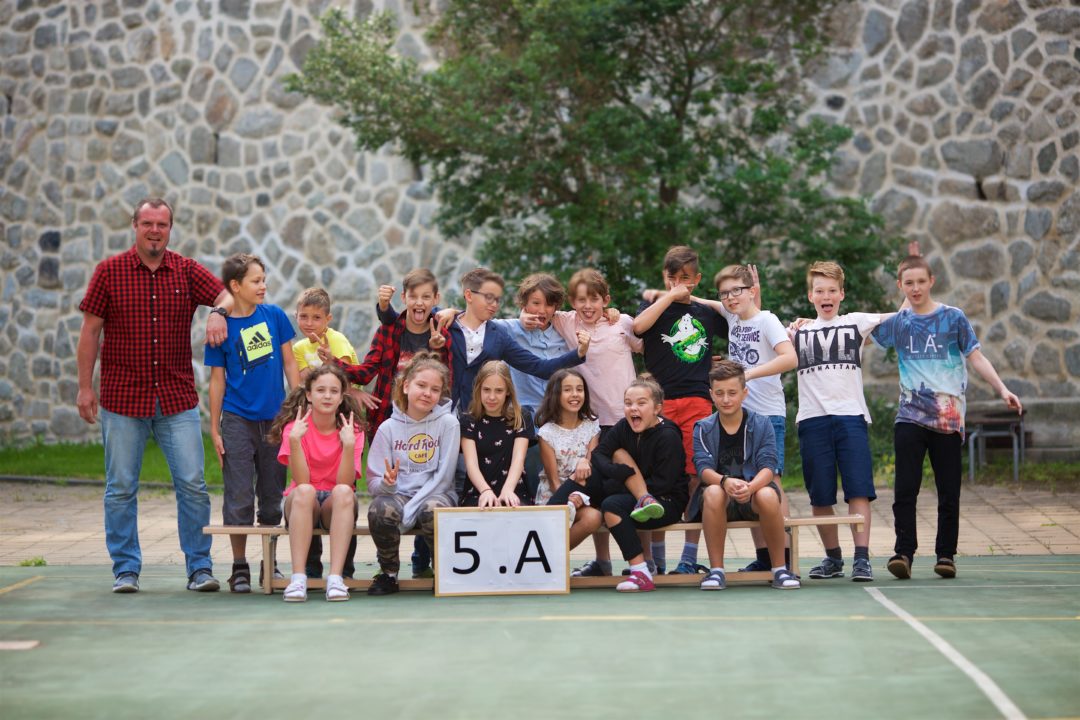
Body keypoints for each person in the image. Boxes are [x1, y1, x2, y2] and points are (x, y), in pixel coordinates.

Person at [76, 197, 228, 593]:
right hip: (122, 399)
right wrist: (85, 387)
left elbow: (226, 295)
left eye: (162, 224)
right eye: (148, 223)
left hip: (176, 398)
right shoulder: (109, 272)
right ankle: (126, 570)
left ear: (170, 229)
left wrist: (217, 313)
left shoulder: (186, 269)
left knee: (193, 485)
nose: (155, 231)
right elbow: (90, 331)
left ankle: (199, 568)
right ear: (135, 226)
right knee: (121, 488)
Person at [872, 253, 1022, 580]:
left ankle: (945, 555)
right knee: (905, 490)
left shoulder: (954, 318)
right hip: (910, 416)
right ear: (900, 286)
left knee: (948, 491)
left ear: (932, 282)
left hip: (948, 419)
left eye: (920, 282)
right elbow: (872, 333)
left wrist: (1002, 389)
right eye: (908, 283)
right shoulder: (899, 322)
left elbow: (976, 357)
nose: (915, 288)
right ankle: (903, 553)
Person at [338, 268, 451, 579]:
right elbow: (367, 370)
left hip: (430, 423)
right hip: (390, 420)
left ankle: (423, 559)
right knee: (389, 487)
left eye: (426, 297)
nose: (419, 302)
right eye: (413, 296)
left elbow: (448, 376)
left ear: (436, 299)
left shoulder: (442, 330)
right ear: (404, 298)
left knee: (428, 481)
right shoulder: (389, 330)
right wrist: (338, 371)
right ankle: (388, 565)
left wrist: (440, 345)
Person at [690, 264, 797, 572]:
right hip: (741, 416)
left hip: (768, 413)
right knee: (747, 483)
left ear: (752, 291)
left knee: (770, 482)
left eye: (737, 290)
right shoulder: (733, 318)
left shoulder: (767, 320)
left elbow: (790, 358)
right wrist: (679, 295)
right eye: (725, 293)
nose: (730, 297)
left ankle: (785, 557)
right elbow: (712, 303)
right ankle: (764, 558)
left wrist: (747, 374)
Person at [792, 261, 894, 583]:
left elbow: (903, 315)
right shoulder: (797, 331)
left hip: (850, 417)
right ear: (810, 296)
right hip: (812, 420)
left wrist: (907, 280)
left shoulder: (855, 322)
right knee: (820, 496)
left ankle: (862, 558)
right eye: (820, 291)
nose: (826, 296)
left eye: (832, 291)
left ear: (842, 294)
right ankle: (833, 558)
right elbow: (757, 322)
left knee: (858, 491)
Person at [204, 253, 299, 593]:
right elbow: (217, 381)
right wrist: (214, 428)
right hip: (237, 420)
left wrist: (297, 407)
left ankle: (269, 564)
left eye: (264, 280)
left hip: (275, 420)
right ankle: (239, 566)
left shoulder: (274, 316)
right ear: (235, 286)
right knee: (239, 496)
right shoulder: (220, 329)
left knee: (272, 497)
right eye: (256, 281)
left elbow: (290, 364)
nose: (263, 286)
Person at [633, 246, 728, 576]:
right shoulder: (653, 306)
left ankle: (689, 555)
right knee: (657, 476)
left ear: (697, 279)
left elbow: (740, 316)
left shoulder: (705, 313)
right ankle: (655, 558)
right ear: (665, 277)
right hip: (659, 403)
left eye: (685, 278)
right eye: (672, 277)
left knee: (694, 476)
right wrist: (669, 296)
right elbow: (638, 327)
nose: (678, 283)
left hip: (696, 401)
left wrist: (696, 298)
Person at [550, 268, 642, 575]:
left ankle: (649, 560)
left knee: (633, 486)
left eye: (594, 299)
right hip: (592, 424)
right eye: (581, 300)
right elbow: (533, 311)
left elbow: (647, 344)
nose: (587, 306)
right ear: (572, 302)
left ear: (606, 300)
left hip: (628, 420)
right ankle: (603, 561)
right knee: (595, 491)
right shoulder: (566, 322)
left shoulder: (622, 322)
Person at [694, 361, 800, 591]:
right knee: (712, 492)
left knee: (768, 495)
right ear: (711, 395)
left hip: (753, 495)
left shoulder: (762, 423)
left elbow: (769, 466)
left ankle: (779, 569)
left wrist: (751, 488)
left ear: (744, 393)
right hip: (721, 498)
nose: (726, 399)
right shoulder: (702, 427)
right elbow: (703, 469)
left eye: (732, 393)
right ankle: (716, 571)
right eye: (719, 393)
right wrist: (724, 481)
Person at [365, 352, 459, 596]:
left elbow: (444, 478)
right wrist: (387, 484)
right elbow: (373, 482)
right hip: (400, 495)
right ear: (406, 386)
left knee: (432, 510)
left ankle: (444, 573)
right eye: (421, 385)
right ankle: (389, 574)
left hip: (437, 493)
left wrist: (410, 509)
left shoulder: (448, 423)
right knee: (379, 509)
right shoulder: (388, 428)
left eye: (435, 389)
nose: (427, 393)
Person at [268, 365, 365, 602]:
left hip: (336, 503)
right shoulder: (294, 428)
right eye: (321, 390)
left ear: (342, 397)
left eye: (334, 391)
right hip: (304, 503)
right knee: (304, 490)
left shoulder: (352, 430)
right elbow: (302, 481)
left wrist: (349, 446)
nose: (327, 396)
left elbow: (345, 483)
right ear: (309, 395)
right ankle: (298, 579)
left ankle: (336, 578)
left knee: (343, 492)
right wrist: (294, 442)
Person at [591, 376, 689, 592]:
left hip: (666, 501)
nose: (633, 408)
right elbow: (598, 454)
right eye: (628, 403)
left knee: (612, 505)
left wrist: (615, 484)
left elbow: (663, 484)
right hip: (638, 496)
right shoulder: (623, 427)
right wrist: (616, 472)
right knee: (614, 458)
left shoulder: (668, 436)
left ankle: (640, 570)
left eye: (641, 403)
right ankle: (639, 570)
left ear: (657, 408)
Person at [536, 369, 604, 551]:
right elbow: (553, 481)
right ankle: (547, 556)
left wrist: (578, 495)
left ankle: (553, 555)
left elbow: (591, 467)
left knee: (594, 517)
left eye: (579, 389)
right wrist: (568, 498)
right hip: (556, 495)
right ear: (556, 395)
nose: (575, 394)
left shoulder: (592, 427)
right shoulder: (546, 433)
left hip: (583, 494)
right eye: (567, 390)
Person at [459, 361, 533, 507]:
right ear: (478, 389)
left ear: (508, 391)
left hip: (513, 488)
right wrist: (485, 490)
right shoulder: (468, 420)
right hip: (478, 490)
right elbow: (471, 464)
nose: (492, 397)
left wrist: (508, 490)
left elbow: (518, 459)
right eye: (486, 390)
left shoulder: (521, 417)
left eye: (499, 391)